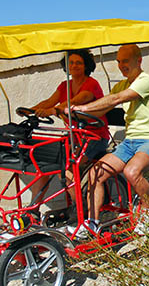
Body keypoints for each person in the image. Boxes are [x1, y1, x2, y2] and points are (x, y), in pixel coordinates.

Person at [63, 44, 149, 237]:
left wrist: (83, 107)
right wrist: (77, 114)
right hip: (130, 142)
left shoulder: (146, 81)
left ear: (139, 60)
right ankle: (92, 223)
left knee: (132, 171)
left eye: (125, 61)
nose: (121, 65)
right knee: (95, 174)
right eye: (119, 61)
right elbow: (104, 109)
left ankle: (148, 212)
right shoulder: (121, 84)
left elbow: (116, 99)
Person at [26, 50, 110, 210]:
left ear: (86, 66)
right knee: (47, 164)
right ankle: (33, 208)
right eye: (71, 62)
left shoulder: (92, 84)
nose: (74, 66)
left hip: (94, 137)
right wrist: (31, 110)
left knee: (66, 166)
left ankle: (80, 208)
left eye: (78, 62)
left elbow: (75, 102)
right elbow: (50, 101)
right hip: (74, 137)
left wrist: (52, 110)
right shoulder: (65, 85)